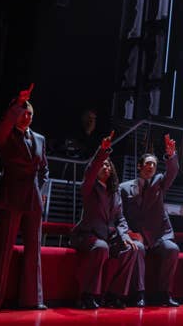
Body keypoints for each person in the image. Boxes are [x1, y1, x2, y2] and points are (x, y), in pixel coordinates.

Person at [0, 84, 48, 310]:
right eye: (23, 113)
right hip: (11, 195)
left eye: (29, 114)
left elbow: (44, 169)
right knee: (3, 250)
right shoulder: (6, 135)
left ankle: (33, 300)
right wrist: (18, 103)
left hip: (33, 198)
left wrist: (41, 190)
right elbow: (3, 127)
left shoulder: (39, 139)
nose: (26, 117)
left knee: (34, 250)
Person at [71, 132, 139, 309]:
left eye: (108, 165)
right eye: (102, 164)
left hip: (109, 236)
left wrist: (125, 236)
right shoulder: (89, 187)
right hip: (88, 235)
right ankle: (87, 295)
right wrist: (102, 152)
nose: (105, 167)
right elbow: (91, 170)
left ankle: (114, 295)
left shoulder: (115, 192)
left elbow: (120, 218)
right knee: (101, 247)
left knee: (134, 248)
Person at [119, 134, 180, 307]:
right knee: (137, 248)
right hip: (137, 235)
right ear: (139, 166)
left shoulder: (159, 183)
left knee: (172, 249)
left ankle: (164, 294)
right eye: (147, 163)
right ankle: (139, 294)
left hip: (158, 235)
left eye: (154, 164)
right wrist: (128, 233)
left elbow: (172, 171)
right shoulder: (124, 188)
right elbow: (119, 214)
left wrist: (171, 156)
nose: (151, 167)